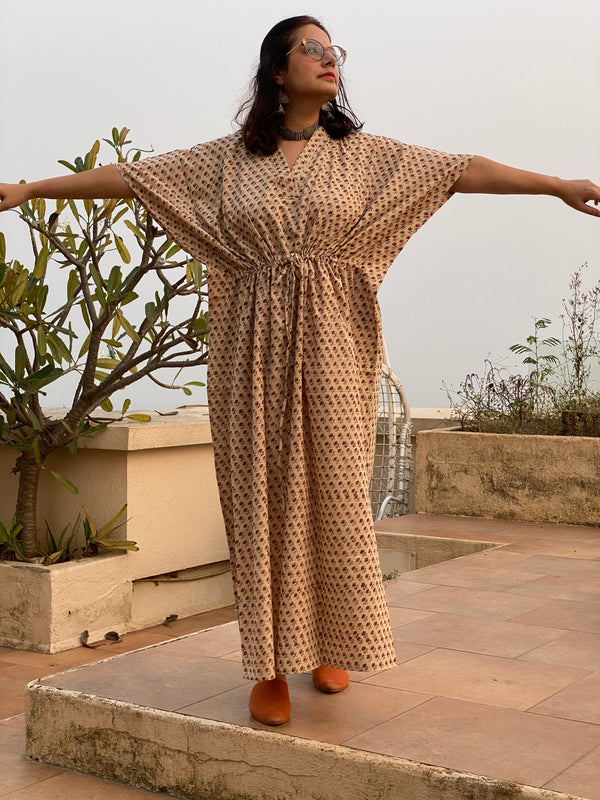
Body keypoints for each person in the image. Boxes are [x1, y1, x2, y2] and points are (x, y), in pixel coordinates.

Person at [1, 16, 599, 726]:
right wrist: (34, 189)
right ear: (276, 72)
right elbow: (133, 178)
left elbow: (459, 169)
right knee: (260, 501)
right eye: (311, 49)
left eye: (334, 50)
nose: (329, 60)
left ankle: (332, 644)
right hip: (248, 347)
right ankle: (271, 665)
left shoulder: (365, 155)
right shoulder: (226, 160)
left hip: (338, 342)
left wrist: (556, 183)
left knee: (338, 494)